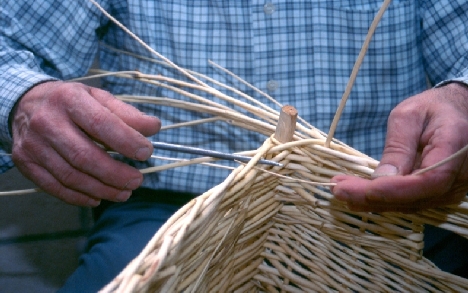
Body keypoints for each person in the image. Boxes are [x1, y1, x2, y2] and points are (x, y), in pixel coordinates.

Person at [1, 0, 468, 291]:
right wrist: (23, 99)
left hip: (384, 202)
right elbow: (9, 41)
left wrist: (461, 95)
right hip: (165, 206)